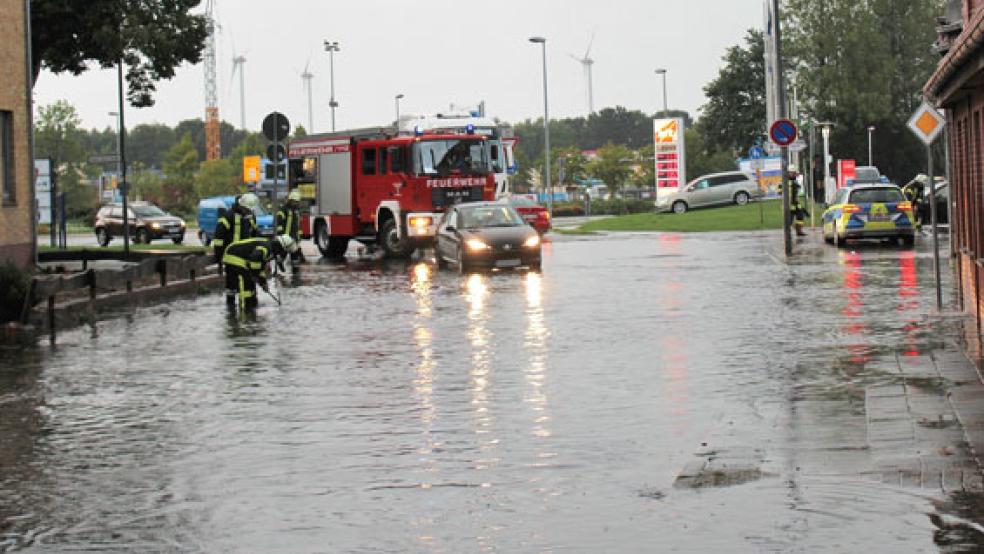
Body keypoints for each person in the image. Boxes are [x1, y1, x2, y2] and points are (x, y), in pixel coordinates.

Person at [222, 234, 298, 313]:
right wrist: (255, 276)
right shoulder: (267, 248)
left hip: (235, 255)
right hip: (235, 257)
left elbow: (260, 266)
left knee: (238, 286)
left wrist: (262, 282)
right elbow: (255, 260)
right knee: (247, 285)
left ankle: (232, 309)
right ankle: (246, 314)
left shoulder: (270, 248)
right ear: (281, 247)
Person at [213, 193, 260, 272]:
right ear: (241, 206)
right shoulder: (227, 217)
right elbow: (218, 240)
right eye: (247, 210)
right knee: (234, 283)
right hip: (231, 258)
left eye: (250, 210)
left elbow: (255, 235)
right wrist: (219, 260)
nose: (249, 212)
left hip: (246, 258)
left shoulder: (250, 217)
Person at [276, 190, 306, 268]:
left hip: (294, 239)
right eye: (294, 201)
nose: (296, 203)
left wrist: (299, 238)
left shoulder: (296, 211)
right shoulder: (283, 210)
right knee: (283, 254)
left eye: (297, 202)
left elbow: (297, 226)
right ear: (290, 200)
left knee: (295, 256)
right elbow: (278, 224)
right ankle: (279, 265)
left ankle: (295, 275)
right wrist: (282, 236)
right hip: (286, 238)